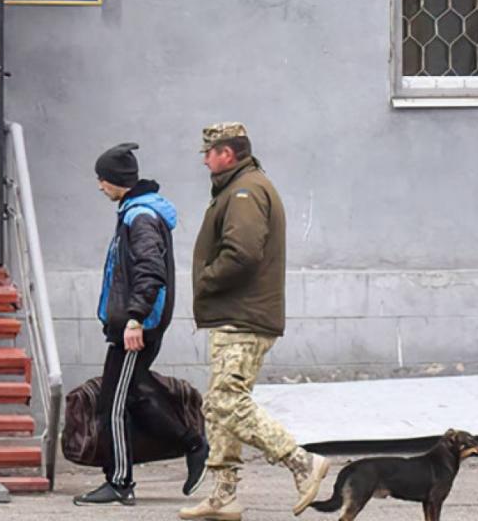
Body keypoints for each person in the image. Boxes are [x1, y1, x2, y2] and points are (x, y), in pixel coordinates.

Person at [179, 123, 329, 521]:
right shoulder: (240, 186)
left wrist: (206, 280)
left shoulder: (245, 191)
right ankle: (223, 497)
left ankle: (302, 463)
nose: (205, 159)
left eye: (208, 152)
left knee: (228, 400)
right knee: (220, 408)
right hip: (237, 315)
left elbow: (242, 253)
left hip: (243, 316)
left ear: (227, 153)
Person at [74, 142, 210, 506]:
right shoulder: (135, 212)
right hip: (135, 323)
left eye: (102, 179)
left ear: (116, 180)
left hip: (138, 326)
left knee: (112, 405)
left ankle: (120, 481)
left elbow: (150, 272)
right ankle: (193, 444)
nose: (100, 185)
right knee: (129, 393)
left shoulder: (141, 217)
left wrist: (134, 319)